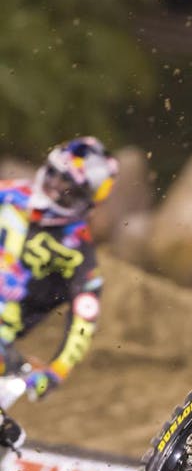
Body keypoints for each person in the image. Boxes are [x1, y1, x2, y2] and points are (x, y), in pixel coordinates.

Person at [0, 137, 118, 401]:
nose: (55, 188)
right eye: (54, 175)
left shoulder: (77, 250)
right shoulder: (9, 194)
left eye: (68, 187)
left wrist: (56, 372)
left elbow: (85, 315)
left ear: (86, 199)